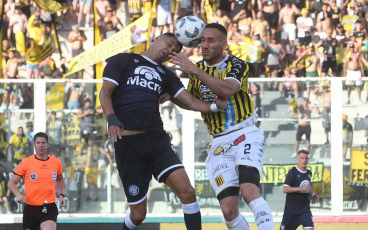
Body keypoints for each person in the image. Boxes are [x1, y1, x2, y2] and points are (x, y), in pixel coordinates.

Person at [99, 32, 228, 230]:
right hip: (129, 146)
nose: (169, 51)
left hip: (157, 142)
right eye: (168, 44)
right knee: (138, 216)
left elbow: (190, 101)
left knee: (188, 192)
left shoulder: (166, 75)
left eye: (174, 51)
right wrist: (112, 119)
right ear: (156, 37)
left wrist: (215, 106)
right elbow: (105, 91)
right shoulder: (122, 60)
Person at [169, 23, 274, 230]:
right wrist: (170, 95)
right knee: (228, 210)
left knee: (248, 190)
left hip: (245, 132)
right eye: (202, 41)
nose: (204, 45)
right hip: (219, 142)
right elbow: (192, 102)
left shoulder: (237, 65)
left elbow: (227, 89)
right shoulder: (196, 70)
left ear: (224, 44)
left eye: (211, 40)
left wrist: (194, 70)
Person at [7, 132, 66, 230]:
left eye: (43, 143)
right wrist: (19, 195)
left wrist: (60, 195)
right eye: (38, 143)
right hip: (31, 208)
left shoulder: (56, 162)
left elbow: (59, 179)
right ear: (34, 144)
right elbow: (11, 183)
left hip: (49, 206)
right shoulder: (26, 162)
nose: (41, 145)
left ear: (47, 144)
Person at [280, 149, 319, 230]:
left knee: (310, 228)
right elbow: (285, 189)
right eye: (302, 158)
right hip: (291, 211)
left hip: (305, 210)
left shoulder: (309, 173)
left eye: (306, 158)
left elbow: (306, 188)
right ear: (297, 159)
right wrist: (301, 188)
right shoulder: (293, 172)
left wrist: (312, 194)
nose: (304, 160)